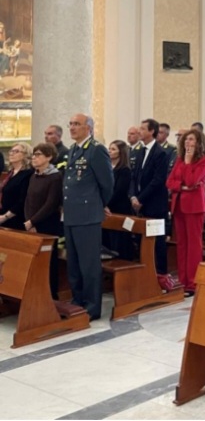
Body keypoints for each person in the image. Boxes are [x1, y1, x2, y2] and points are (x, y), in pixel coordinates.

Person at [63, 114, 113, 321]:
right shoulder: (74, 149)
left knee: (88, 264)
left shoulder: (96, 149)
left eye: (77, 124)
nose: (72, 128)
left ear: (89, 128)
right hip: (71, 214)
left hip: (87, 214)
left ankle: (92, 306)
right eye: (71, 124)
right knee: (73, 262)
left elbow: (107, 183)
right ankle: (77, 300)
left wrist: (97, 205)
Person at [167, 129, 205, 296]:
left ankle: (192, 282)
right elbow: (170, 182)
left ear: (198, 142)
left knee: (194, 244)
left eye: (191, 139)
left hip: (194, 207)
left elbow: (193, 181)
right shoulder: (179, 159)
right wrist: (182, 186)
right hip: (179, 205)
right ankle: (183, 279)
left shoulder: (203, 160)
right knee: (182, 244)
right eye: (185, 140)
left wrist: (188, 162)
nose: (187, 143)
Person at [129, 119, 171, 286]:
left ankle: (161, 274)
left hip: (154, 203)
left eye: (142, 129)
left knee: (158, 241)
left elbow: (158, 180)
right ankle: (145, 271)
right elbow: (134, 176)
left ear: (151, 131)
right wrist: (133, 196)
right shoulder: (140, 151)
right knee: (142, 239)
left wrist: (141, 198)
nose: (139, 131)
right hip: (140, 202)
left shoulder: (160, 153)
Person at [24, 142, 63, 299]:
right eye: (33, 154)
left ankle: (50, 294)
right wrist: (28, 221)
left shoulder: (55, 177)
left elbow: (51, 203)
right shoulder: (34, 175)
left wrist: (33, 221)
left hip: (47, 224)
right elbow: (28, 199)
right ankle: (35, 291)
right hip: (31, 224)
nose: (34, 157)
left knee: (49, 261)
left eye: (38, 154)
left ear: (49, 157)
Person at [104, 140, 133, 259]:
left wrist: (105, 203)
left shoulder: (124, 170)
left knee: (119, 239)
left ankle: (122, 260)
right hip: (106, 207)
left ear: (121, 152)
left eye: (113, 149)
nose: (110, 151)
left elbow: (119, 191)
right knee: (106, 239)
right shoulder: (106, 168)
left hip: (118, 207)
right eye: (109, 148)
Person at [0, 142, 34, 230]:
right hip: (4, 215)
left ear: (25, 155)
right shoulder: (11, 173)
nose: (11, 153)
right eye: (11, 151)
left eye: (16, 151)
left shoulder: (28, 174)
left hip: (16, 218)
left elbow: (23, 200)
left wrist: (5, 216)